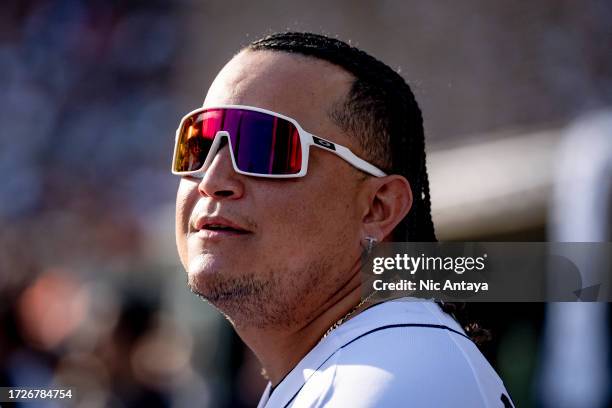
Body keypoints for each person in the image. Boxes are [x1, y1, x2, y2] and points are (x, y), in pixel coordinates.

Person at [173, 32, 514, 408]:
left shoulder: (396, 384)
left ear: (377, 208)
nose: (211, 180)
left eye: (264, 146)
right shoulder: (362, 368)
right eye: (199, 145)